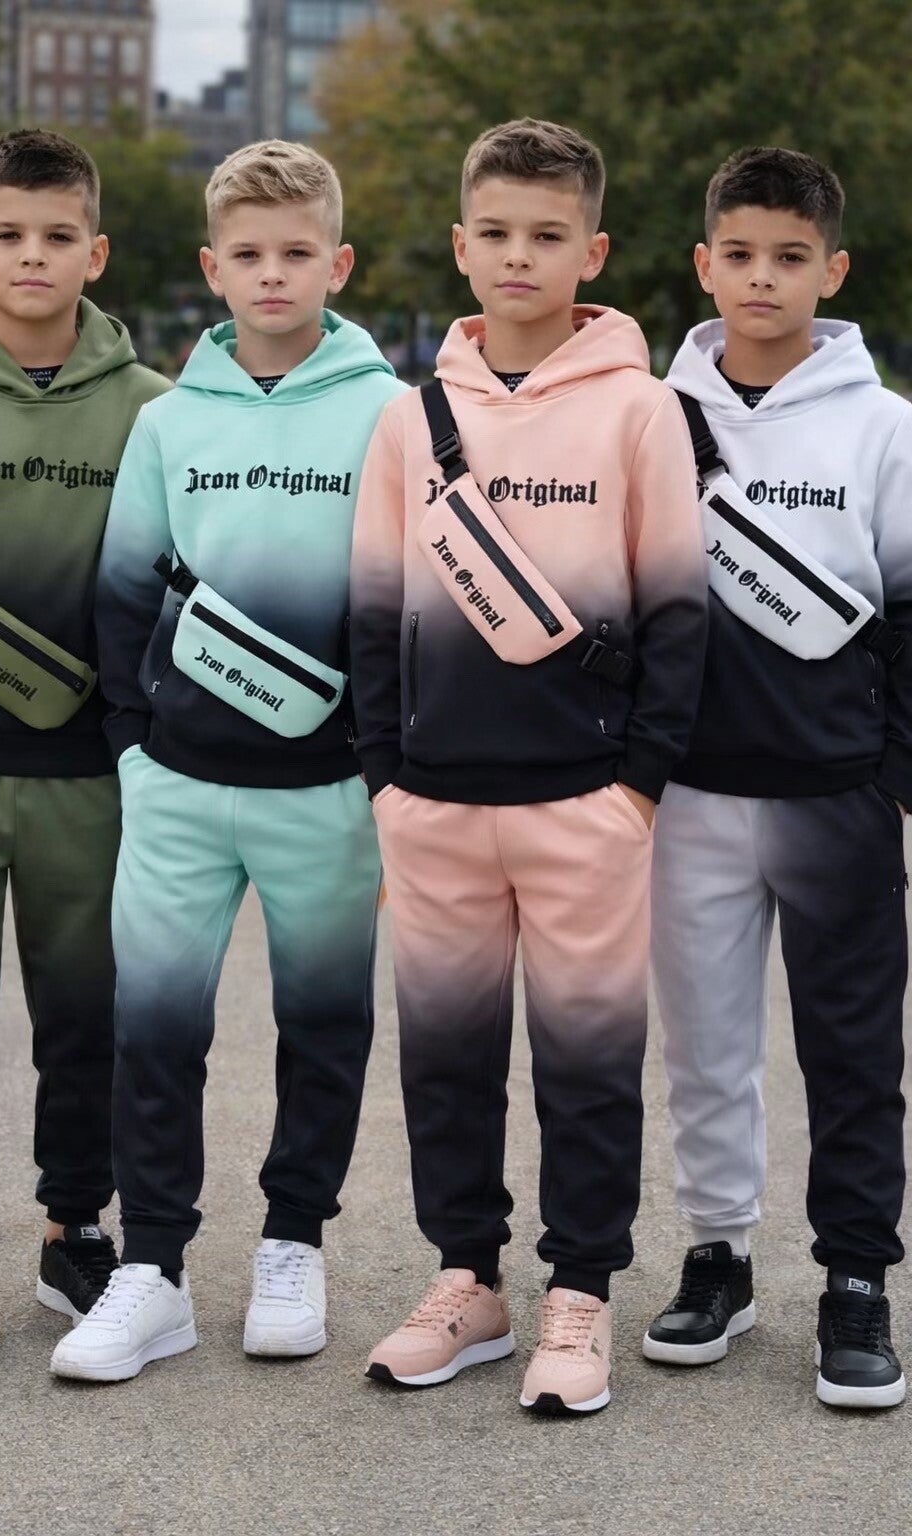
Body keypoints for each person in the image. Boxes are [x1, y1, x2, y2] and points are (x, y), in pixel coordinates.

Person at [349, 117, 707, 1414]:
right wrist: (386, 778)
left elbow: (679, 616)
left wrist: (636, 790)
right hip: (434, 804)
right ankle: (468, 1283)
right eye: (495, 232)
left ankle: (582, 1291)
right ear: (460, 245)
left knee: (588, 1063)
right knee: (445, 1061)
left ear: (591, 252)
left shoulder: (642, 411)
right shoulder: (410, 420)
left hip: (584, 803)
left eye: (547, 235)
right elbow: (370, 612)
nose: (518, 255)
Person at [50, 140, 406, 1383]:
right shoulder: (169, 420)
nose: (272, 275)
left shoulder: (389, 415)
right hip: (179, 787)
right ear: (212, 269)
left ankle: (293, 1244)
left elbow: (402, 601)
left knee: (324, 1025)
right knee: (154, 1031)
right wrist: (134, 746)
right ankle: (152, 1270)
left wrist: (374, 760)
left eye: (296, 253)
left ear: (337, 264)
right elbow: (121, 593)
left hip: (327, 792)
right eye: (247, 255)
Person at [0, 128, 169, 1370]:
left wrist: (136, 745)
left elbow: (166, 594)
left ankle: (75, 1230)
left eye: (59, 235)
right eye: (9, 234)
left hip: (89, 784)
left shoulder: (152, 409)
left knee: (83, 1021)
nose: (33, 256)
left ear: (96, 253)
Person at [644, 147, 911, 1410]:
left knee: (852, 1050)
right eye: (740, 255)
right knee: (705, 1043)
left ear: (831, 271)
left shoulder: (883, 426)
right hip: (688, 792)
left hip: (835, 794)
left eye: (790, 257)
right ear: (704, 265)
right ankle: (718, 1256)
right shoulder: (650, 418)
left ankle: (856, 1277)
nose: (763, 277)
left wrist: (891, 775)